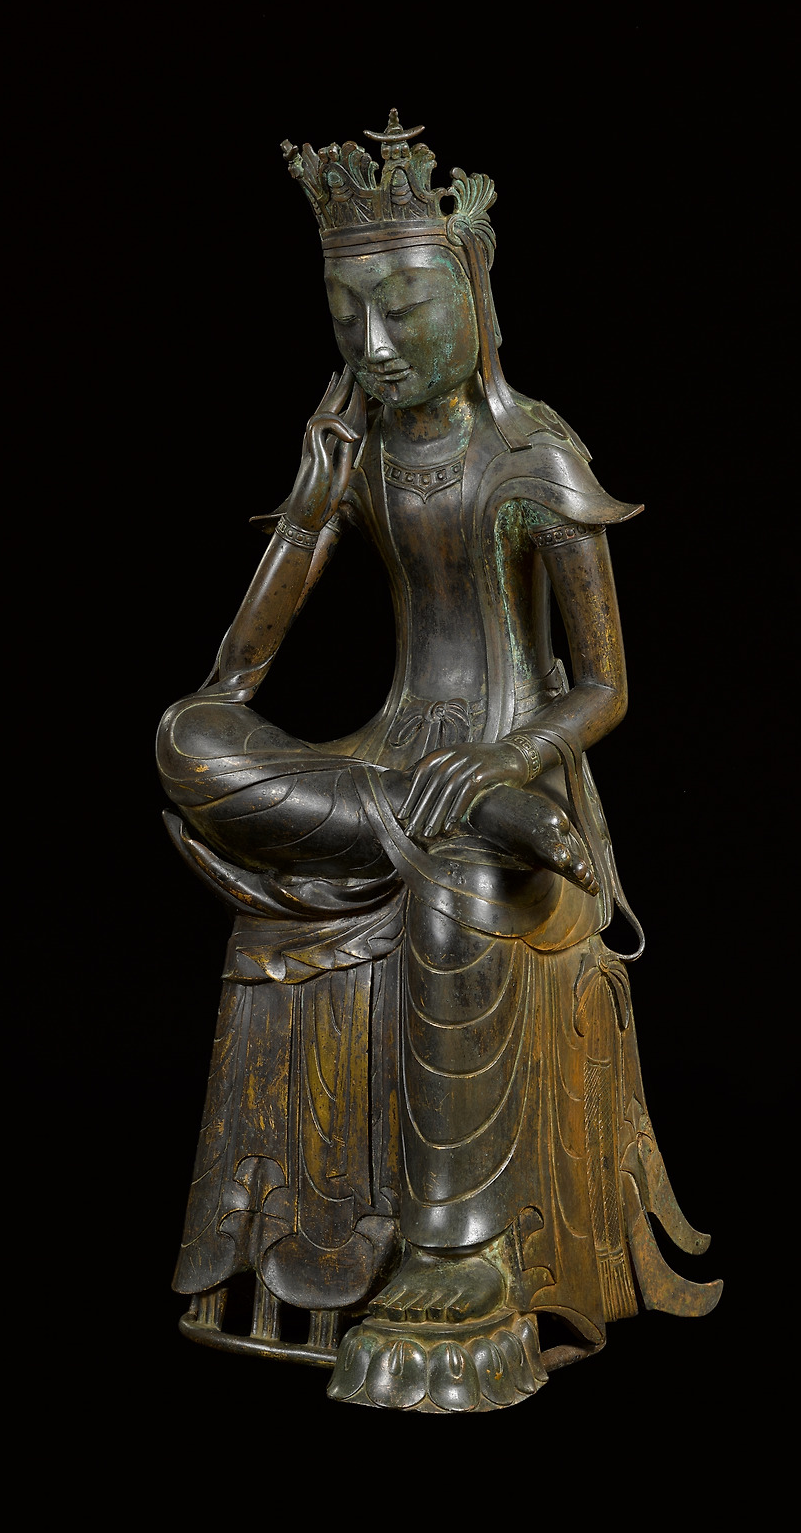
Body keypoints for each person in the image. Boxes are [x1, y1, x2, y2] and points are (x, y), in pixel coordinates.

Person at [157, 113, 719, 1412]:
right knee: (182, 738)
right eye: (345, 316)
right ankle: (421, 820)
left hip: (514, 776)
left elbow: (605, 684)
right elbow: (232, 682)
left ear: (473, 298)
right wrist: (308, 509)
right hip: (387, 771)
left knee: (458, 882)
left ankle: (456, 1256)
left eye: (404, 310)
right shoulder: (359, 454)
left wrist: (509, 760)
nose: (373, 344)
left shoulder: (532, 454)